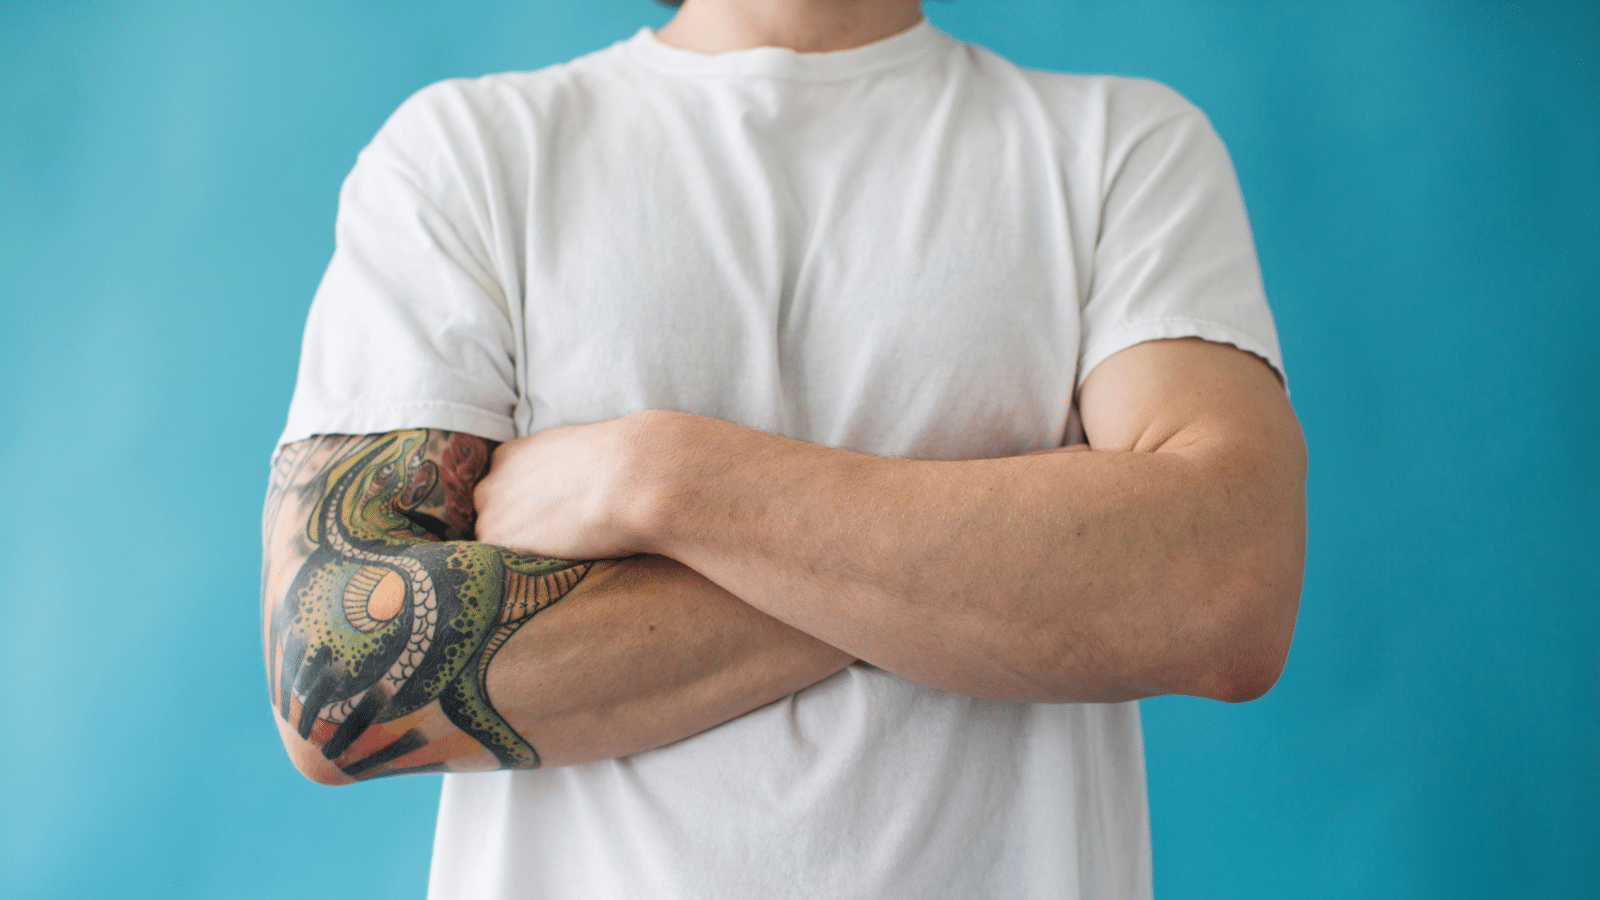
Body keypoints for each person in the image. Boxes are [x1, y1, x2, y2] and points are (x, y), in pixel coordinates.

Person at [261, 0, 1307, 896]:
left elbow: (1223, 588)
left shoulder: (1124, 147)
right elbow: (340, 677)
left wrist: (658, 477)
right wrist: (1017, 572)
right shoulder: (469, 154)